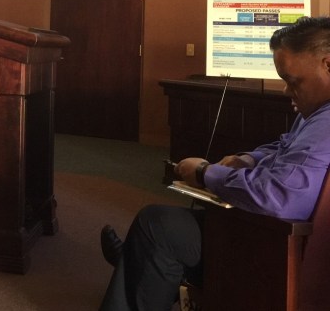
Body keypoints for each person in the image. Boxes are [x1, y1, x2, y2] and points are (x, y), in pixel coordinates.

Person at [99, 16, 330, 311]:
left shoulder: (325, 122)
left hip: (277, 244)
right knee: (158, 233)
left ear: (328, 64)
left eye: (293, 81)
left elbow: (278, 197)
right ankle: (134, 260)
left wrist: (204, 173)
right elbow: (284, 146)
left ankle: (134, 259)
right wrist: (247, 159)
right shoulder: (317, 112)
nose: (286, 91)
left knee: (156, 225)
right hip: (272, 230)